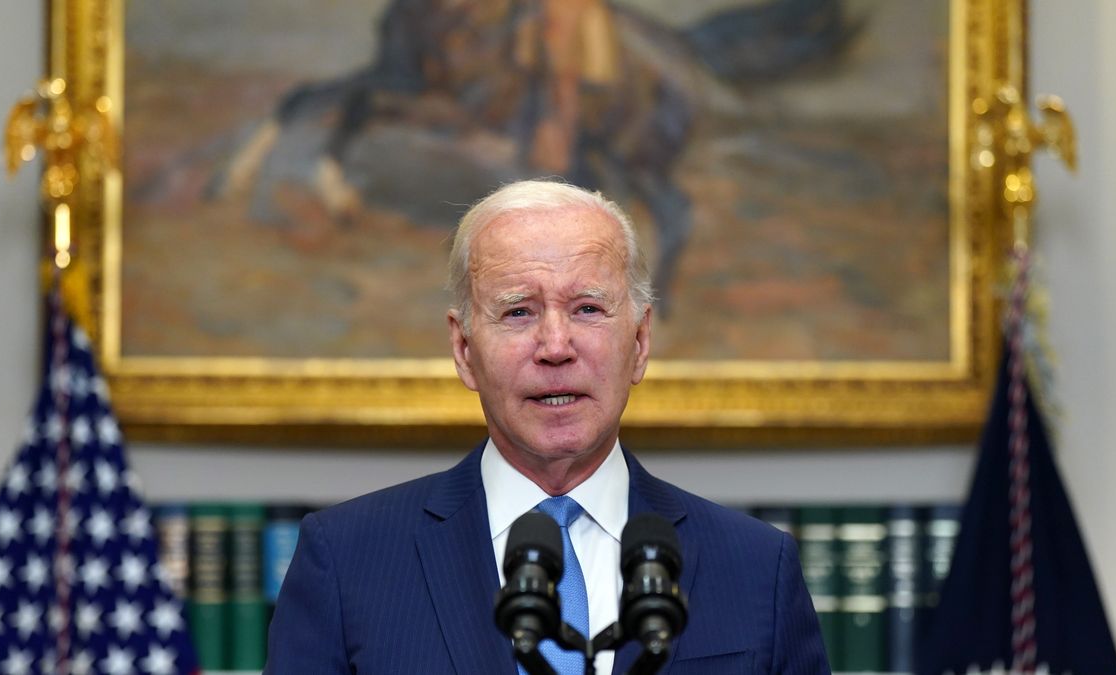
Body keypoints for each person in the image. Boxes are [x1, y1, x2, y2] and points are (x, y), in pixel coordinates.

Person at [264, 180, 829, 673]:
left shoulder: (757, 568)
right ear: (463, 349)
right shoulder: (345, 561)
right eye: (518, 312)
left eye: (587, 308)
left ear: (639, 342)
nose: (556, 347)